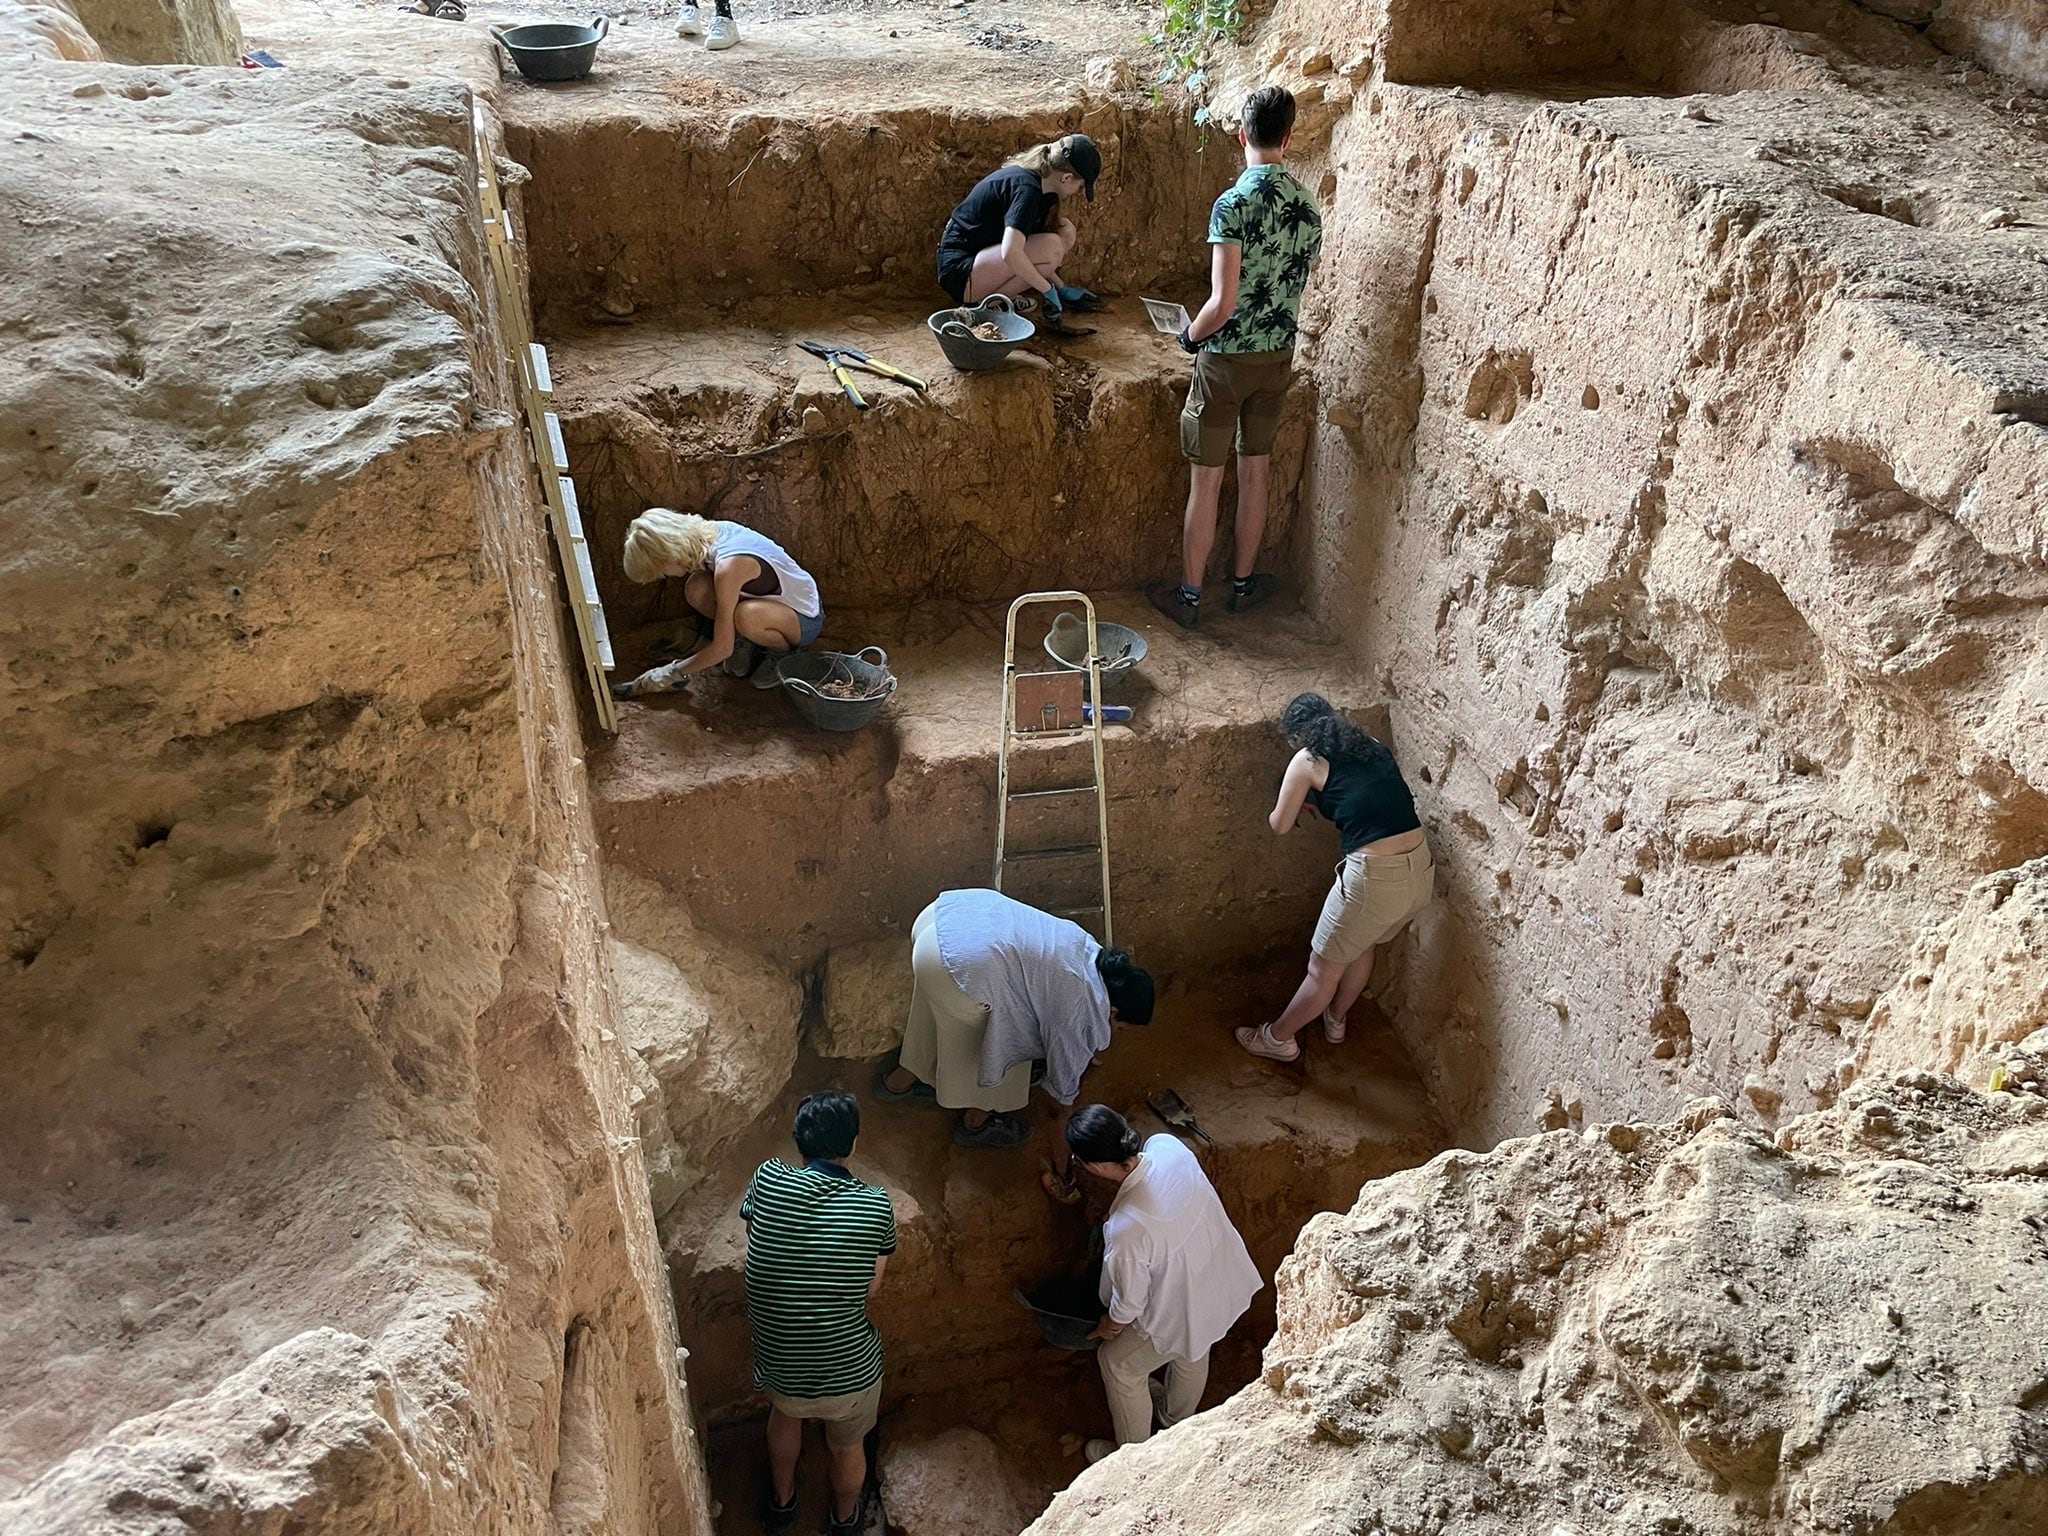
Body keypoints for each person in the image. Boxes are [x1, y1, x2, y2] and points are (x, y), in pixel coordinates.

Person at [1150, 86, 1324, 631]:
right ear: (1288, 137)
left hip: (1224, 360)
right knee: (1256, 474)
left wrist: (1188, 338)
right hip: (1276, 359)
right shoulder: (1309, 204)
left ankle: (1189, 596)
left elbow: (1221, 304)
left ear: (1242, 133)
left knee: (1207, 483)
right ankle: (1244, 587)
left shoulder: (1232, 205)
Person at [874, 889, 1153, 1192]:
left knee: (945, 1004)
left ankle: (898, 1082)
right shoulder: (1080, 1010)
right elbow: (1059, 1107)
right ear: (1113, 1011)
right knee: (1014, 1037)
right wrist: (1064, 1170)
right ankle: (976, 1123)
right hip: (959, 965)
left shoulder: (1088, 950)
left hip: (942, 921)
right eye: (1120, 1028)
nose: (1117, 1034)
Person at [1236, 693, 1433, 1062]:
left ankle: (1277, 1039)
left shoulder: (1307, 759)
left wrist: (1298, 793)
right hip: (1420, 871)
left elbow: (1279, 824)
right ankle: (1336, 1020)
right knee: (1362, 944)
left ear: (1298, 737)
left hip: (1374, 881)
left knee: (1320, 971)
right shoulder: (1370, 744)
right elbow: (1365, 795)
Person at [1065, 1105, 1262, 1464]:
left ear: (1092, 1166)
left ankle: (1132, 1461)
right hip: (1220, 1277)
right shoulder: (1167, 1146)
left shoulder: (1127, 1228)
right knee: (1195, 1344)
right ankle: (1174, 1420)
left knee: (1116, 1364)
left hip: (1180, 1304)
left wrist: (1110, 1325)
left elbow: (1130, 1304)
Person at [741, 1091, 896, 1536]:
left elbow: (756, 1232)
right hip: (848, 1374)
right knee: (847, 1445)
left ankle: (782, 1504)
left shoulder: (768, 1178)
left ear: (798, 1141)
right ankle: (845, 1519)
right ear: (853, 1144)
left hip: (781, 1366)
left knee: (785, 1415)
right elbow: (871, 1288)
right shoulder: (874, 1205)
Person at [609, 507, 823, 698]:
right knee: (697, 588)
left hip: (803, 617)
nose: (665, 576)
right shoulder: (709, 534)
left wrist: (671, 673)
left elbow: (722, 648)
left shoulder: (729, 565)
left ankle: (781, 654)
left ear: (670, 555)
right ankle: (747, 639)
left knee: (745, 616)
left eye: (661, 571)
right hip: (767, 603)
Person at [936, 134, 1105, 317]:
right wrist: (1047, 289)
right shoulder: (1027, 191)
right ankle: (986, 305)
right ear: (1066, 177)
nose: (1078, 192)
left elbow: (1037, 257)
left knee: (1065, 231)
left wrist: (1061, 288)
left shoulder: (1044, 185)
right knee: (1052, 245)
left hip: (982, 258)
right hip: (960, 272)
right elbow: (1011, 252)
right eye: (1080, 186)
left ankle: (1000, 297)